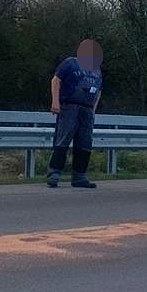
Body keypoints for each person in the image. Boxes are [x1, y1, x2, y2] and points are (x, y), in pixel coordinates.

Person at [47, 39, 104, 189]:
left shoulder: (97, 69)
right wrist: (55, 102)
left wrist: (93, 110)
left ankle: (79, 176)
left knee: (85, 143)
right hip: (69, 106)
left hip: (87, 109)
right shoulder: (70, 63)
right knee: (63, 139)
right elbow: (56, 80)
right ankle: (54, 174)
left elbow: (98, 91)